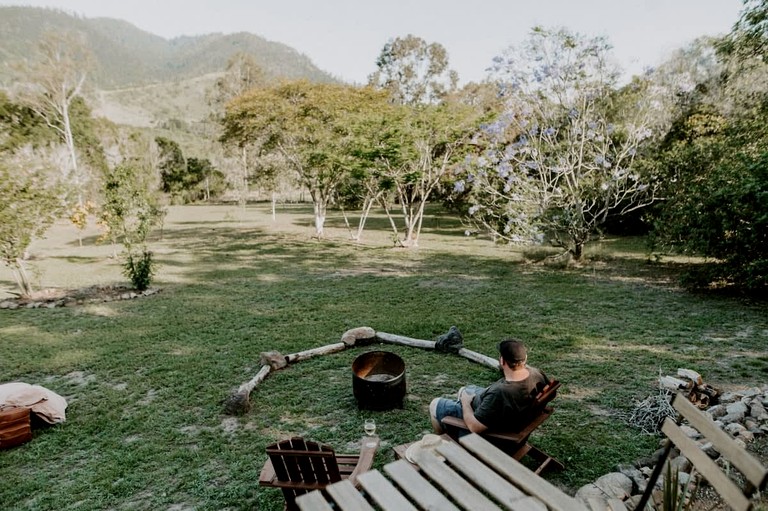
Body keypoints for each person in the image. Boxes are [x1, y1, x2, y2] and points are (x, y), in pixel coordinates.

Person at [429, 338, 549, 434]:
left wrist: (466, 403)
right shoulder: (537, 374)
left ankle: (446, 440)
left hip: (490, 422)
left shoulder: (501, 393)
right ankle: (459, 407)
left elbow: (475, 427)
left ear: (502, 361)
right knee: (464, 390)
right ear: (525, 359)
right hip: (507, 412)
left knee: (435, 404)